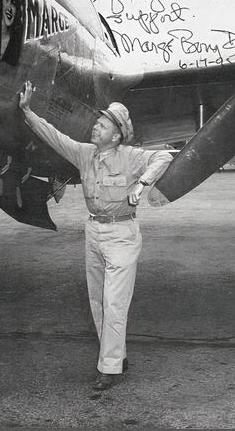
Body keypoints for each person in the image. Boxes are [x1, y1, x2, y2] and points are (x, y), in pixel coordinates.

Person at [18, 80, 172, 391]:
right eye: (97, 123)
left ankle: (110, 369)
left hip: (121, 234)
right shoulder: (84, 154)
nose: (95, 128)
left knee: (114, 302)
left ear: (116, 135)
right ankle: (117, 356)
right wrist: (27, 111)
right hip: (94, 231)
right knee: (98, 301)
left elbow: (165, 156)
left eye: (102, 126)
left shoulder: (129, 156)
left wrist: (142, 184)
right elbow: (54, 135)